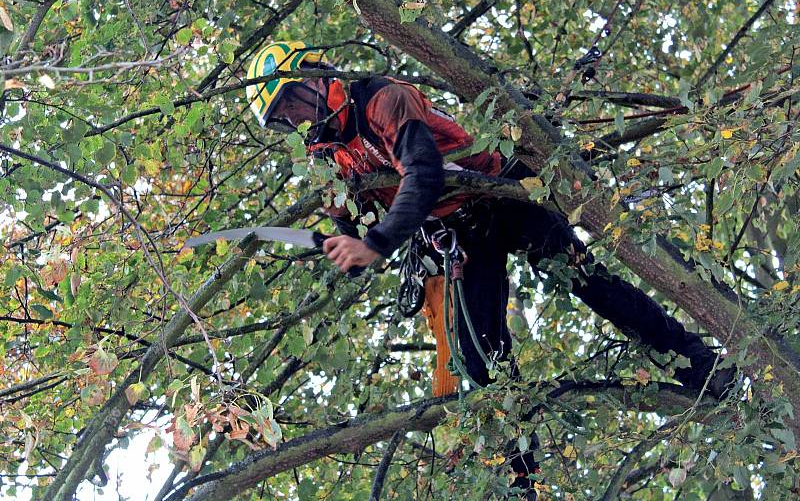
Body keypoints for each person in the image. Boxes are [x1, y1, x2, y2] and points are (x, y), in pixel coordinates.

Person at [245, 41, 734, 498]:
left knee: (589, 284)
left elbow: (424, 173)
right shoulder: (323, 156)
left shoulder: (383, 99)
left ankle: (701, 363)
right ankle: (526, 485)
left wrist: (374, 243)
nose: (292, 115)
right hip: (463, 231)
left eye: (289, 99)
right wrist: (347, 243)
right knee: (480, 362)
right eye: (281, 115)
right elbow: (350, 224)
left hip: (502, 191)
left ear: (313, 72)